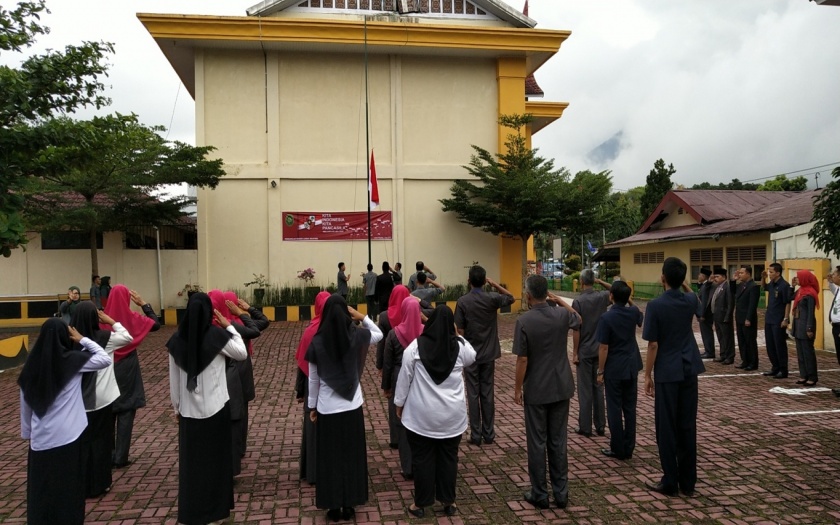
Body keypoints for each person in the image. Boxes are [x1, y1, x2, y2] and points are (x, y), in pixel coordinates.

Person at [19, 318, 112, 525]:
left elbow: (25, 406)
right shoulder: (73, 362)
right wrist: (83, 339)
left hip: (41, 440)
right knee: (69, 487)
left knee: (42, 489)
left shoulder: (30, 369)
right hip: (70, 437)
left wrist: (28, 433)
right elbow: (104, 359)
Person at [167, 292, 247, 525]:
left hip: (189, 414)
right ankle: (215, 512)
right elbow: (241, 352)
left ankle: (194, 512)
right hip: (216, 410)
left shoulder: (176, 341)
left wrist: (177, 409)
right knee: (217, 464)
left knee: (193, 467)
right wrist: (230, 326)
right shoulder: (217, 337)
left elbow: (174, 382)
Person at [306, 295, 383, 522]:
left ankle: (333, 506)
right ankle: (350, 503)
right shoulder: (357, 336)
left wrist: (312, 406)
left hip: (327, 409)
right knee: (352, 456)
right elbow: (379, 335)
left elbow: (313, 380)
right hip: (352, 406)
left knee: (330, 459)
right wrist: (363, 317)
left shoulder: (318, 342)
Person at [395, 305, 476, 518]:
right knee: (449, 457)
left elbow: (404, 378)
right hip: (452, 417)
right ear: (452, 325)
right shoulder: (460, 348)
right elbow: (473, 356)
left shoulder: (415, 347)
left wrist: (399, 404)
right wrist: (458, 334)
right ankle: (448, 502)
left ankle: (420, 504)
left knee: (422, 458)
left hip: (421, 416)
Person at [513, 276, 579, 510]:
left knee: (537, 442)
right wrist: (559, 301)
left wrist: (517, 388)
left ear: (528, 296)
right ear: (547, 293)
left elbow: (522, 359)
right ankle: (561, 493)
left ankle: (540, 493)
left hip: (537, 388)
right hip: (561, 385)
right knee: (558, 441)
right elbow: (578, 318)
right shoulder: (561, 315)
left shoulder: (524, 321)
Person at [642, 257, 705, 497]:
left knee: (666, 427)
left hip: (667, 371)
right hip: (689, 368)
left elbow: (653, 344)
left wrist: (648, 374)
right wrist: (682, 283)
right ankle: (688, 482)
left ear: (662, 278)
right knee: (687, 425)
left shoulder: (655, 305)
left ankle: (670, 479)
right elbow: (695, 299)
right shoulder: (689, 299)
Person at [71, 301, 131, 498]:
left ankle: (82, 482)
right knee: (103, 442)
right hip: (103, 399)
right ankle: (101, 482)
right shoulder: (105, 338)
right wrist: (112, 321)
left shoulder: (70, 340)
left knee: (82, 443)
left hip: (77, 400)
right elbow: (127, 337)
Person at [455, 265, 515, 446]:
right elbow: (511, 297)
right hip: (489, 353)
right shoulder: (492, 298)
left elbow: (460, 330)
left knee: (473, 392)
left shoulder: (463, 301)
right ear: (484, 280)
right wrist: (495, 285)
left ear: (468, 281)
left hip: (471, 355)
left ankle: (476, 434)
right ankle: (489, 433)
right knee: (487, 392)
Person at [104, 285, 159, 468]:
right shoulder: (132, 318)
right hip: (128, 366)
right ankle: (121, 457)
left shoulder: (103, 320)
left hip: (107, 366)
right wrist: (144, 304)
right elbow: (156, 324)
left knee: (108, 410)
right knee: (127, 410)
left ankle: (108, 454)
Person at [208, 290, 260, 476]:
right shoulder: (230, 326)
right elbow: (256, 329)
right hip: (233, 377)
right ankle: (235, 455)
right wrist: (242, 314)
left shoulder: (204, 329)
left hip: (210, 383)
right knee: (236, 417)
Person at [596, 281, 644, 461]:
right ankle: (629, 446)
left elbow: (604, 348)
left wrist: (600, 371)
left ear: (611, 297)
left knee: (614, 408)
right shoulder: (632, 312)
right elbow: (640, 316)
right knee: (630, 408)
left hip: (614, 367)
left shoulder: (606, 318)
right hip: (631, 365)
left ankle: (617, 447)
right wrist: (629, 300)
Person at [382, 296, 424, 479]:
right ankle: (421, 462)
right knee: (419, 422)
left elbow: (388, 363)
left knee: (401, 421)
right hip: (420, 379)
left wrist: (387, 387)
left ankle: (407, 467)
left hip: (399, 376)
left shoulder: (394, 333)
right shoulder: (425, 333)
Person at [295, 291, 331, 484]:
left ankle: (313, 472)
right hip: (335, 387)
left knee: (312, 427)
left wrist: (300, 391)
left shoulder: (310, 330)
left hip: (312, 384)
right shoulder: (337, 328)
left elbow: (303, 363)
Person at [571, 269, 611, 438]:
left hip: (585, 350)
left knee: (585, 390)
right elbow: (616, 289)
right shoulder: (602, 297)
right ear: (593, 281)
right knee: (599, 388)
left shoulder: (578, 302)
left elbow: (576, 330)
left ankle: (585, 426)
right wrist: (601, 282)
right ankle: (600, 425)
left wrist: (575, 352)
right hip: (600, 349)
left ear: (581, 282)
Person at [225, 291, 265, 459]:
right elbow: (261, 324)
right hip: (241, 367)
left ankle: (234, 445)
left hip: (228, 370)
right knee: (241, 409)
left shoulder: (222, 324)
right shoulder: (238, 324)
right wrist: (246, 310)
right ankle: (239, 446)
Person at [376, 284, 411, 448]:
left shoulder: (384, 316)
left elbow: (381, 344)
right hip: (413, 366)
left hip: (395, 366)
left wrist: (380, 365)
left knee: (394, 402)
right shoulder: (413, 314)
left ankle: (396, 438)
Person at [762, 263, 793, 379]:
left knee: (779, 345)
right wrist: (763, 278)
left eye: (771, 272)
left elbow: (787, 303)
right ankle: (774, 367)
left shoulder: (784, 285)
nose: (769, 274)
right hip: (769, 318)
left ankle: (783, 369)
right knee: (770, 345)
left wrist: (785, 318)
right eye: (769, 272)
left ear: (778, 273)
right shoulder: (772, 284)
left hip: (778, 319)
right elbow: (764, 287)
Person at [792, 270, 819, 386]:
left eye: (798, 278)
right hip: (798, 324)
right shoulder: (800, 291)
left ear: (804, 279)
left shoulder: (810, 293)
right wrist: (791, 286)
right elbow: (789, 297)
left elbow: (810, 313)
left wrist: (809, 328)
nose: (796, 279)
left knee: (808, 352)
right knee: (800, 352)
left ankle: (812, 376)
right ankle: (803, 374)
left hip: (805, 324)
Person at [734, 266, 760, 371]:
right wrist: (734, 280)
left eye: (741, 273)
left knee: (750, 341)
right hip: (739, 317)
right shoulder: (741, 285)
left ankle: (753, 363)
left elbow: (752, 304)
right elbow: (733, 292)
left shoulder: (753, 286)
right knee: (742, 341)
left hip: (747, 318)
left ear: (748, 274)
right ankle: (745, 360)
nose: (739, 275)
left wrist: (748, 318)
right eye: (739, 273)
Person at [710, 267, 735, 365]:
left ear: (724, 277)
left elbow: (730, 303)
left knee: (727, 337)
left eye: (717, 276)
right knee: (721, 337)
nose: (715, 278)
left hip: (724, 316)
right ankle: (723, 354)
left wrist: (728, 316)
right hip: (717, 316)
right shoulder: (717, 287)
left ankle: (730, 356)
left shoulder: (727, 287)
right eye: (715, 276)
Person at [696, 268, 716, 359]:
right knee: (705, 333)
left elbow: (704, 302)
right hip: (704, 314)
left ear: (704, 277)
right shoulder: (704, 286)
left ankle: (709, 351)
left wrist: (702, 314)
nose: (698, 276)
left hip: (706, 315)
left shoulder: (706, 287)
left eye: (700, 275)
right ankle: (708, 350)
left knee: (707, 333)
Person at [827, 268, 840, 397]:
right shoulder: (838, 290)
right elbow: (832, 289)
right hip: (836, 327)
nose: (833, 275)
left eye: (835, 274)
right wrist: (830, 281)